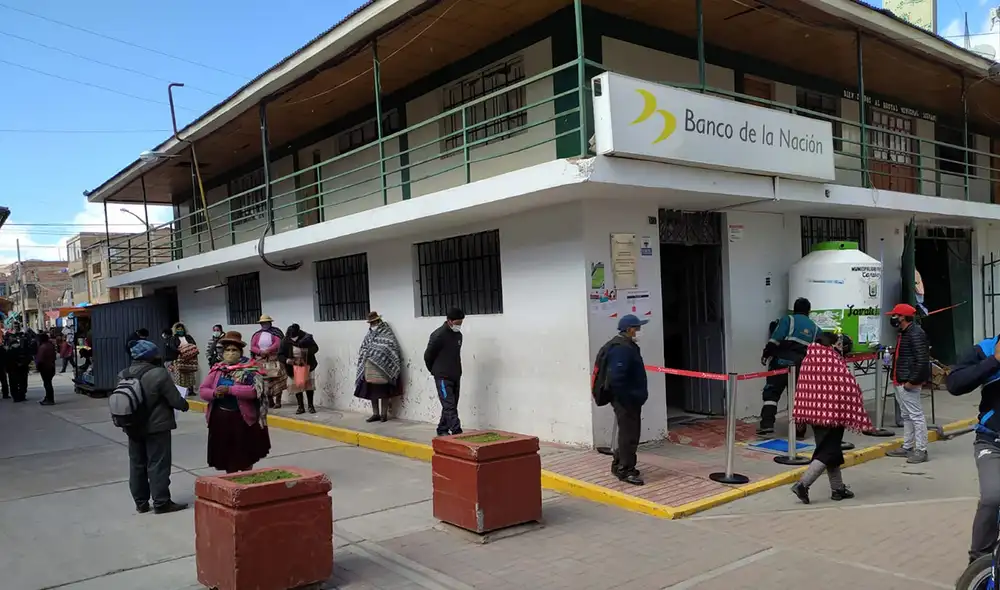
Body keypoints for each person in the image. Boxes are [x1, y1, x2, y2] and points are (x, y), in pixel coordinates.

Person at [789, 332, 873, 504]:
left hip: (812, 412)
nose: (840, 348)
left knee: (829, 449)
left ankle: (838, 489)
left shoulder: (809, 358)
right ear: (832, 344)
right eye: (839, 344)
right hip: (832, 413)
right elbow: (846, 384)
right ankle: (803, 484)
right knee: (828, 451)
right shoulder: (830, 359)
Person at [946, 331, 1000, 563]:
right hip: (992, 442)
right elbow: (955, 384)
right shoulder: (986, 349)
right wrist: (995, 361)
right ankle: (979, 564)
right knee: (993, 497)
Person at [120, 339, 189, 514]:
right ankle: (161, 502)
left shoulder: (124, 373)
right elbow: (176, 400)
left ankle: (141, 503)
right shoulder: (159, 373)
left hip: (132, 426)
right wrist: (184, 404)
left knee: (137, 464)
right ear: (151, 355)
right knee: (158, 463)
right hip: (157, 427)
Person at [199, 331, 271, 473]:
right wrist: (214, 393)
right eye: (228, 350)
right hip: (221, 419)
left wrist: (230, 390)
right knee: (227, 456)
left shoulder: (250, 369)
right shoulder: (217, 370)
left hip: (242, 419)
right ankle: (231, 483)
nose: (230, 353)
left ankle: (247, 483)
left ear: (240, 352)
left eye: (234, 350)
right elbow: (203, 390)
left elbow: (254, 391)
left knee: (245, 455)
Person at [757, 297, 819, 436]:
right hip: (801, 365)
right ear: (809, 311)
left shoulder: (787, 320)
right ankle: (799, 430)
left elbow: (775, 339)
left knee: (772, 393)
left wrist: (766, 354)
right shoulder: (815, 328)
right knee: (799, 396)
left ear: (794, 309)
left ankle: (767, 425)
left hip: (781, 361)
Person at [603, 314, 649, 486]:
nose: (639, 332)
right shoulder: (622, 349)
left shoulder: (626, 345)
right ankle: (625, 470)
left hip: (628, 399)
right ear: (630, 329)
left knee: (626, 434)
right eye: (638, 328)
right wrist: (628, 398)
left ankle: (619, 465)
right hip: (626, 400)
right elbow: (616, 377)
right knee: (629, 436)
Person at [883, 303, 931, 463]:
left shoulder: (915, 334)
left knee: (915, 416)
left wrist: (913, 381)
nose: (893, 318)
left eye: (895, 315)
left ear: (903, 317)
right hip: (901, 379)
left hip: (907, 381)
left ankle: (921, 450)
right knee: (907, 415)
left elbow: (922, 360)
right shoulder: (905, 333)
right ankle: (908, 446)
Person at [354, 311, 403, 422]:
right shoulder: (369, 334)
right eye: (370, 323)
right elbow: (364, 347)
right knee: (372, 392)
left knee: (383, 392)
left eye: (373, 322)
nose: (372, 324)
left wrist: (377, 353)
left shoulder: (386, 332)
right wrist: (367, 353)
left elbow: (390, 346)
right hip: (369, 368)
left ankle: (383, 414)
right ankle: (375, 413)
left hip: (383, 368)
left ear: (378, 321)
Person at [424, 308, 465, 437]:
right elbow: (428, 356)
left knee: (451, 405)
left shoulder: (458, 335)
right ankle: (457, 431)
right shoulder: (438, 335)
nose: (459, 326)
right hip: (442, 376)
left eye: (461, 323)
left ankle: (442, 429)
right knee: (449, 405)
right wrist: (436, 371)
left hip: (455, 375)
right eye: (457, 323)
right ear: (449, 321)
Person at [278, 324, 319, 415]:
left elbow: (315, 348)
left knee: (309, 386)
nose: (294, 339)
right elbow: (280, 355)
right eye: (291, 337)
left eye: (295, 337)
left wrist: (305, 352)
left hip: (308, 364)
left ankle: (311, 406)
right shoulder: (285, 341)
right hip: (293, 366)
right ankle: (300, 407)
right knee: (297, 387)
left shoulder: (307, 338)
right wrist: (287, 360)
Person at [251, 315, 285, 408]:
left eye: (266, 322)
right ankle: (270, 400)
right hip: (261, 359)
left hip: (272, 358)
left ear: (270, 323)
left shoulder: (276, 333)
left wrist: (268, 351)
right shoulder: (257, 334)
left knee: (275, 380)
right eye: (262, 323)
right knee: (265, 381)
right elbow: (253, 346)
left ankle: (278, 401)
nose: (264, 324)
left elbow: (278, 343)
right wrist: (260, 352)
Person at [164, 322, 199, 394]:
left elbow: (193, 345)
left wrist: (186, 349)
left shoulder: (188, 337)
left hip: (190, 359)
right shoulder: (173, 338)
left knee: (190, 375)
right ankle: (181, 392)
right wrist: (182, 350)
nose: (180, 330)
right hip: (179, 359)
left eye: (181, 329)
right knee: (180, 376)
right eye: (178, 329)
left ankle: (191, 390)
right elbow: (173, 347)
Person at [4, 322, 35, 402]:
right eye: (14, 326)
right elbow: (6, 353)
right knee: (13, 381)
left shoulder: (24, 336)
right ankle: (16, 396)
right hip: (13, 365)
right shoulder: (8, 336)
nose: (16, 328)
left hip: (23, 363)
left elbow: (29, 350)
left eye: (17, 326)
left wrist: (26, 361)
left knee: (23, 381)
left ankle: (22, 395)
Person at [35, 332, 57, 406]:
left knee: (47, 384)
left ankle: (49, 399)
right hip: (51, 367)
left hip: (45, 367)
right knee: (48, 383)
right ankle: (48, 398)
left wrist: (37, 366)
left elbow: (40, 359)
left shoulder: (43, 347)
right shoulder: (51, 346)